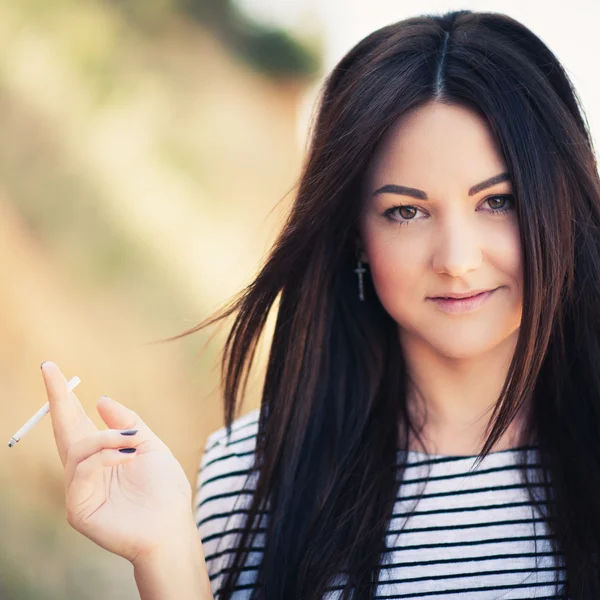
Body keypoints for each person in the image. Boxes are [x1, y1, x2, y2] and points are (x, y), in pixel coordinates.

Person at [40, 8, 600, 600]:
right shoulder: (250, 477)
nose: (456, 259)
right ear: (357, 235)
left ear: (558, 200)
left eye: (497, 201)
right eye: (406, 211)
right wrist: (164, 556)